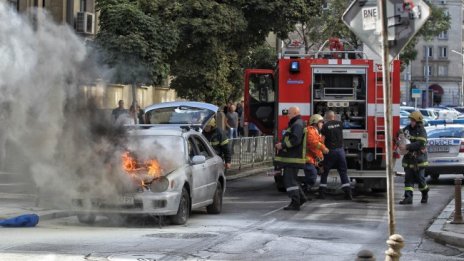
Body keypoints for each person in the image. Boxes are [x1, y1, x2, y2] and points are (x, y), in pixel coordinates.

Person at [274, 107, 307, 211]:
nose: (287, 115)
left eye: (289, 113)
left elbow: (295, 140)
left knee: (289, 181)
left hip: (293, 158)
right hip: (293, 158)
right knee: (293, 180)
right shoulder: (297, 123)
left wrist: (282, 146)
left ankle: (295, 203)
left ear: (295, 113)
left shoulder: (297, 124)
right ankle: (301, 198)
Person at [319, 110, 352, 200]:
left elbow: (322, 139)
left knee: (325, 172)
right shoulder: (340, 124)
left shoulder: (325, 126)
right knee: (343, 172)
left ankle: (322, 193)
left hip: (330, 152)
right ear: (334, 116)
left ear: (326, 117)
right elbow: (347, 124)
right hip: (340, 152)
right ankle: (348, 193)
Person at [397, 111, 429, 204]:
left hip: (419, 159)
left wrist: (407, 147)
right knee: (408, 179)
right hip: (408, 159)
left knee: (420, 180)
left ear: (418, 121)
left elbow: (420, 143)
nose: (411, 122)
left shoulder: (422, 131)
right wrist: (399, 140)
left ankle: (425, 193)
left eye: (413, 120)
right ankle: (408, 198)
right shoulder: (407, 129)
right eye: (411, 120)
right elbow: (400, 136)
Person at [304, 114, 329, 198]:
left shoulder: (317, 132)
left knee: (311, 176)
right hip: (307, 159)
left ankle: (304, 193)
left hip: (312, 159)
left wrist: (321, 159)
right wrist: (323, 148)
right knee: (312, 176)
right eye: (321, 122)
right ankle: (302, 190)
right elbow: (313, 143)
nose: (322, 124)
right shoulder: (311, 130)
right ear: (315, 123)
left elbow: (318, 144)